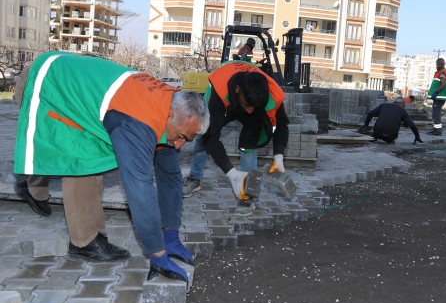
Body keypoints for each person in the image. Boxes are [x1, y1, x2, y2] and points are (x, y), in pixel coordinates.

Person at [13, 51, 210, 284]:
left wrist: (171, 234)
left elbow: (170, 178)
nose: (178, 145)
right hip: (45, 81)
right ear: (170, 115)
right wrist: (157, 253)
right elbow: (140, 191)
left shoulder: (171, 106)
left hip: (77, 83)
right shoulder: (137, 123)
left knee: (80, 148)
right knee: (83, 159)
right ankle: (84, 242)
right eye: (180, 136)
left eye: (186, 140)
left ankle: (31, 186)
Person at [182, 60, 289, 216]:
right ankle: (194, 178)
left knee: (249, 145)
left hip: (246, 101)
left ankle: (248, 194)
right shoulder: (218, 92)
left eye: (254, 107)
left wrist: (278, 157)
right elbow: (211, 137)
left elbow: (282, 125)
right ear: (238, 89)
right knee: (203, 137)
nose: (250, 111)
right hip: (227, 104)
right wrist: (232, 174)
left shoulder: (269, 93)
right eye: (247, 105)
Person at [358, 98, 423, 145]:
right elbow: (412, 125)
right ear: (401, 104)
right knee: (391, 135)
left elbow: (370, 114)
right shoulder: (402, 111)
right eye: (403, 105)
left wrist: (366, 125)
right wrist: (417, 137)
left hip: (376, 133)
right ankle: (389, 140)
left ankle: (375, 137)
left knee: (379, 125)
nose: (404, 107)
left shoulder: (383, 105)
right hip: (390, 137)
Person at [427, 58, 446, 136]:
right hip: (438, 97)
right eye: (436, 64)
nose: (437, 66)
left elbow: (443, 84)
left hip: (439, 97)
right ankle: (436, 130)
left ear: (441, 64)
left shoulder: (442, 73)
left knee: (436, 114)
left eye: (438, 64)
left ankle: (438, 131)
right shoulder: (439, 72)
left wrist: (436, 92)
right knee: (435, 114)